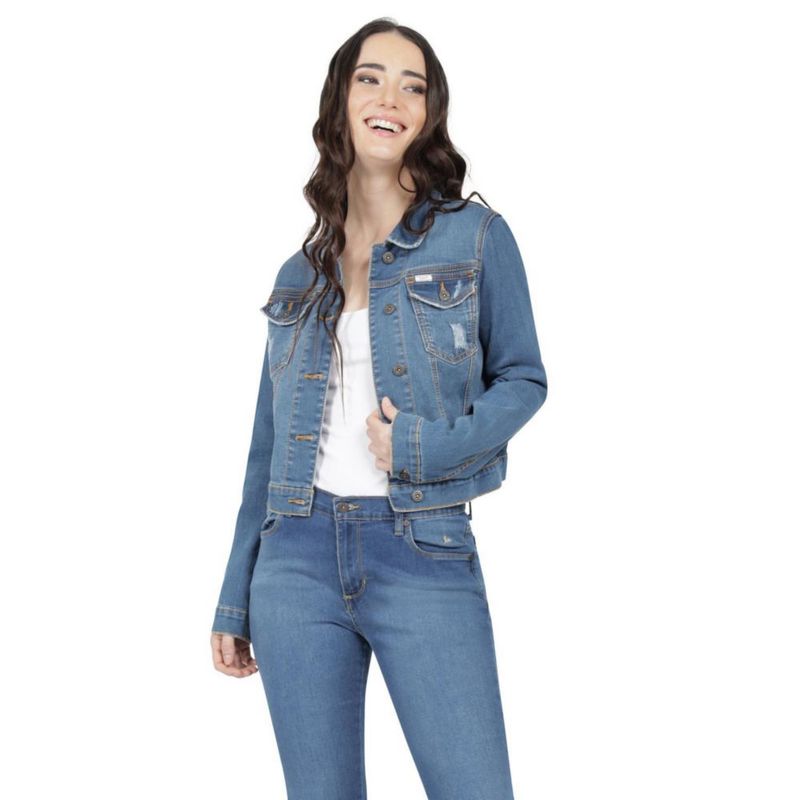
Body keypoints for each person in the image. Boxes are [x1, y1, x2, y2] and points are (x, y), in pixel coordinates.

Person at [210, 18, 547, 800]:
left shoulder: (474, 237)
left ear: (428, 114)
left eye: (412, 86)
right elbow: (266, 445)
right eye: (371, 78)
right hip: (293, 562)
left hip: (421, 549)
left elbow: (524, 378)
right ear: (342, 99)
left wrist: (425, 448)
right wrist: (235, 593)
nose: (390, 97)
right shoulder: (300, 273)